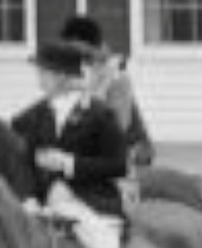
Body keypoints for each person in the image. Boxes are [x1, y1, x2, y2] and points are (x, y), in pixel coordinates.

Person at [15, 36, 161, 248]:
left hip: (89, 203)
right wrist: (26, 197)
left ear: (63, 77)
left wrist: (69, 164)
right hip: (43, 205)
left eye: (44, 72)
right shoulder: (33, 116)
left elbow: (118, 164)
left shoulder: (99, 114)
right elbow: (19, 160)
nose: (39, 78)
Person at [58, 13, 157, 169]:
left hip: (131, 152)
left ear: (90, 46)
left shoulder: (116, 77)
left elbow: (118, 127)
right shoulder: (72, 74)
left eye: (75, 49)